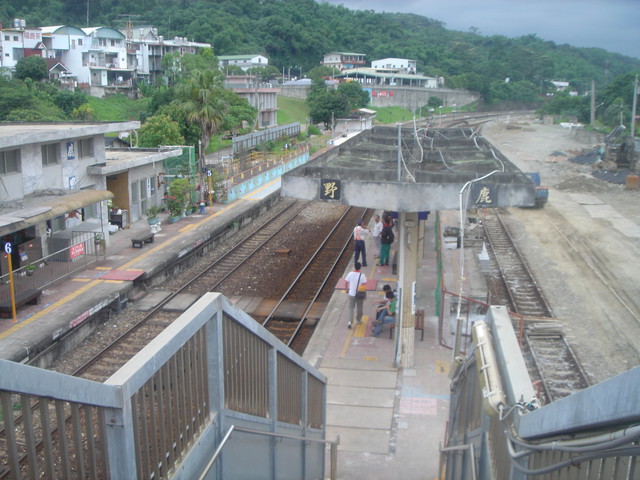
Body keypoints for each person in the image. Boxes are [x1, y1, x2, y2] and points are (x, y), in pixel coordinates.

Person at [344, 262, 367, 328]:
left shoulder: (350, 274)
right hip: (360, 294)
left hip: (351, 294)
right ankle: (358, 320)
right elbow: (364, 286)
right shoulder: (362, 275)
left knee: (351, 308)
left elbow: (346, 282)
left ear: (354, 267)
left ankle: (349, 322)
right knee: (359, 308)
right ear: (360, 267)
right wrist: (365, 295)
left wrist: (346, 289)